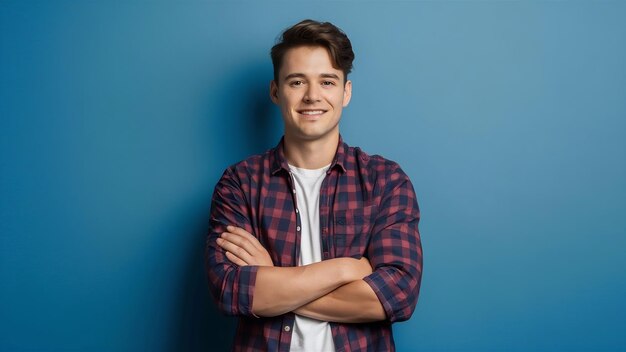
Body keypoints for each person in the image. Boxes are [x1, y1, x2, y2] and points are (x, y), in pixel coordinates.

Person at [205, 19, 422, 352]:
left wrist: (273, 278)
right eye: (296, 82)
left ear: (345, 92)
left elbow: (397, 296)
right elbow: (231, 290)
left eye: (327, 81)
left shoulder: (385, 181)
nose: (312, 96)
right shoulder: (239, 184)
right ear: (276, 91)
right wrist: (346, 268)